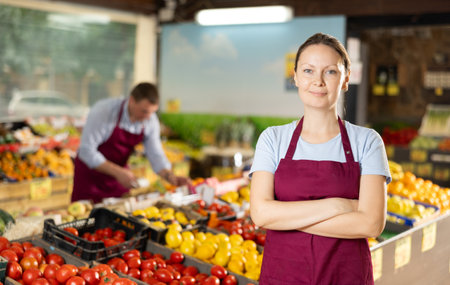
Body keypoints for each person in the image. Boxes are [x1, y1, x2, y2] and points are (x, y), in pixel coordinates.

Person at [249, 33, 391, 285]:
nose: (318, 81)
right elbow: (260, 215)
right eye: (308, 70)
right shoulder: (272, 139)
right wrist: (340, 205)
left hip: (346, 277)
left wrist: (285, 218)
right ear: (295, 77)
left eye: (330, 72)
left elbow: (370, 224)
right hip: (283, 277)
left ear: (346, 79)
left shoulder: (368, 142)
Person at [72, 82, 190, 203]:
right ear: (132, 100)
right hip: (90, 179)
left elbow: (156, 155)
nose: (148, 117)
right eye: (144, 111)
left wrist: (170, 176)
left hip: (118, 181)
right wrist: (118, 172)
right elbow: (86, 151)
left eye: (152, 112)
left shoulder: (150, 120)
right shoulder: (104, 111)